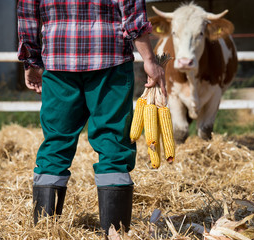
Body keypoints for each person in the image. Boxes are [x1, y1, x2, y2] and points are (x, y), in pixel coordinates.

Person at [17, 0, 166, 234]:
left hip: (59, 59)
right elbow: (132, 12)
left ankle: (44, 232)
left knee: (56, 140)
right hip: (110, 58)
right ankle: (115, 233)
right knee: (113, 140)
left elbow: (27, 14)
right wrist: (149, 59)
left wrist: (32, 61)